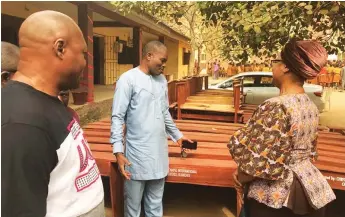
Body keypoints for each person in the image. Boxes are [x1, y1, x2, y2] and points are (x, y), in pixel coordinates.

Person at [1, 11, 104, 217]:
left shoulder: (49, 101)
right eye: (83, 53)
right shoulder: (22, 123)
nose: (86, 63)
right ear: (60, 48)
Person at [228, 39, 336, 217]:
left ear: (285, 67)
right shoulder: (309, 104)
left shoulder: (276, 106)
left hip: (277, 198)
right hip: (310, 186)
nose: (272, 68)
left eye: (274, 62)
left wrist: (241, 177)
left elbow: (261, 159)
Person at [110, 41, 192, 217]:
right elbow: (117, 117)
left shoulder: (162, 80)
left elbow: (164, 113)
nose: (163, 65)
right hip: (136, 157)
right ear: (149, 56)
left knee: (155, 207)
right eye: (161, 60)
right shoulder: (128, 80)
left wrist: (178, 137)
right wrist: (118, 152)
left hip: (159, 157)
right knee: (133, 209)